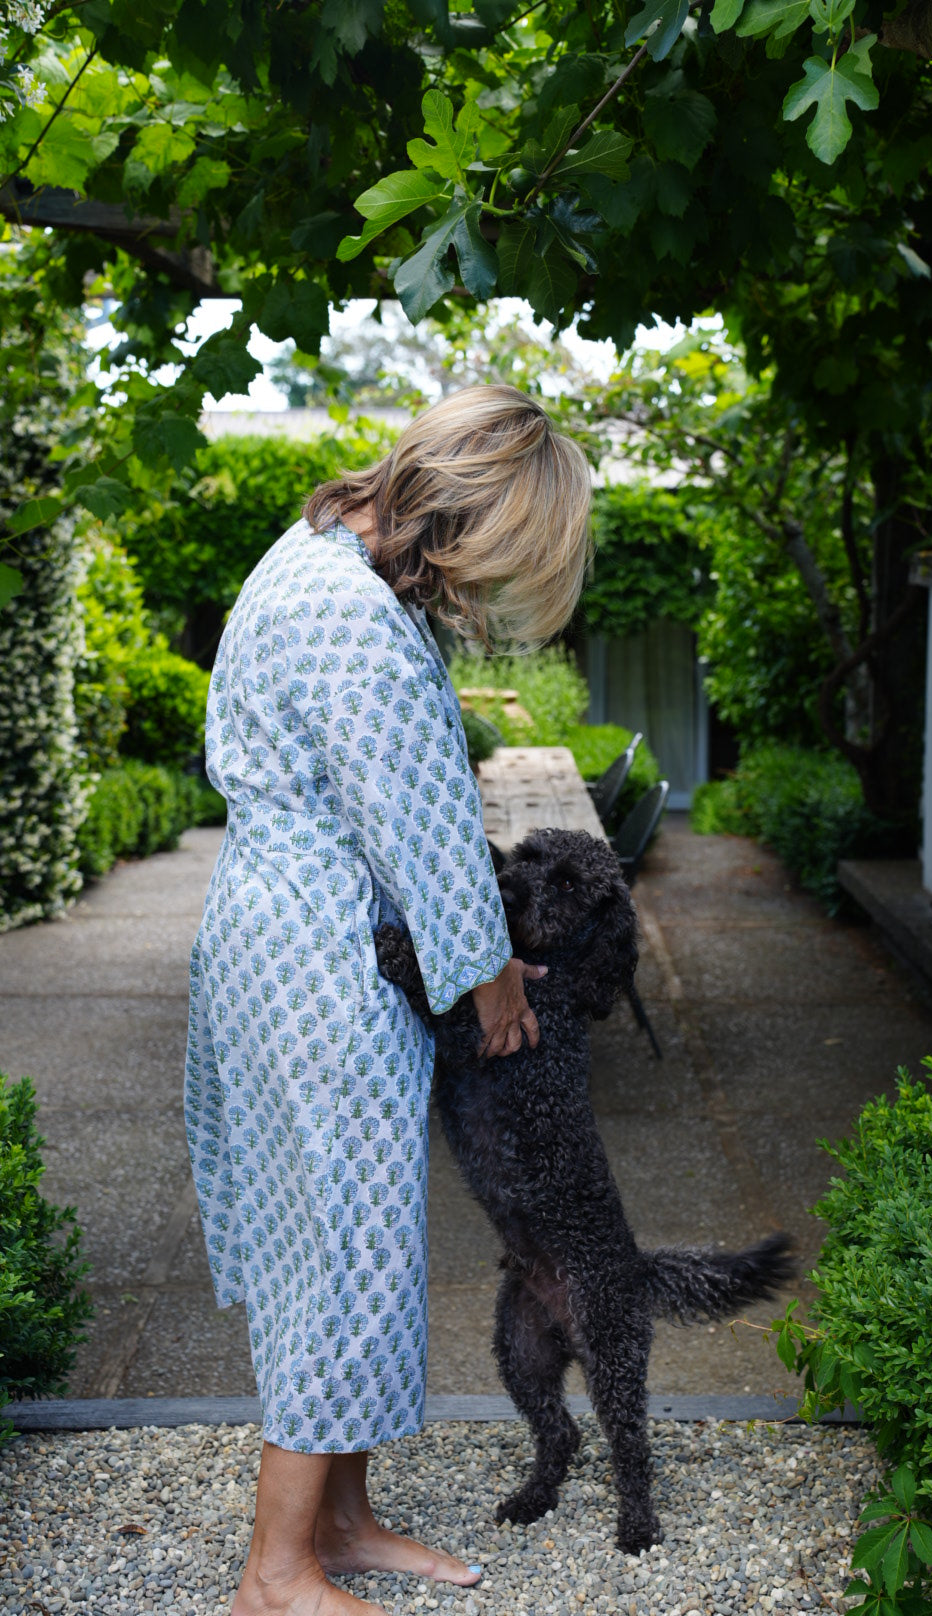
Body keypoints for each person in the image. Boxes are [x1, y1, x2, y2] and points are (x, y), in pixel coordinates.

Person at [184, 383, 592, 1616]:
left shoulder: (319, 550)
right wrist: (491, 979)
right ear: (475, 516)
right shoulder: (354, 616)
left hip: (285, 936)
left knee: (346, 1234)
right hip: (320, 957)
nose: (490, 588)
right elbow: (422, 823)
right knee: (338, 1246)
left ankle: (342, 1521)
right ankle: (276, 1573)